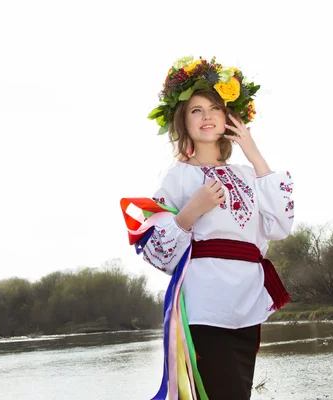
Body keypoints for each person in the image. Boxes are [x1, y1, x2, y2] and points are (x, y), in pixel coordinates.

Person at [121, 56, 295, 400]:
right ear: (183, 122)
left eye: (214, 108)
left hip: (246, 303)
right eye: (196, 110)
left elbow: (280, 225)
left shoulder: (249, 174)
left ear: (229, 117)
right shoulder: (178, 176)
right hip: (204, 306)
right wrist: (191, 211)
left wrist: (252, 150)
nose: (206, 116)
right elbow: (157, 253)